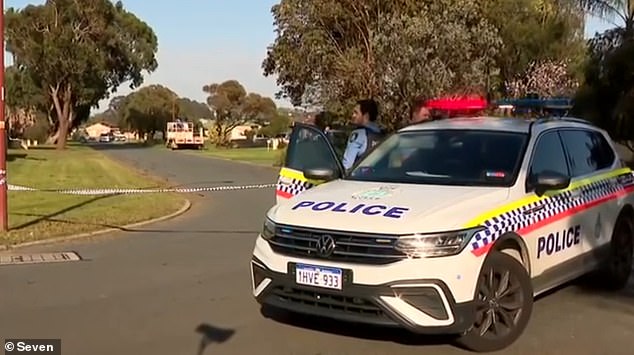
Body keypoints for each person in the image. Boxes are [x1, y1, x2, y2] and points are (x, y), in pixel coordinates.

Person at [342, 99, 386, 170]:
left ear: (366, 116)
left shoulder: (358, 134)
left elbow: (347, 165)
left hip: (360, 177)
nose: (353, 115)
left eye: (356, 113)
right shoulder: (382, 135)